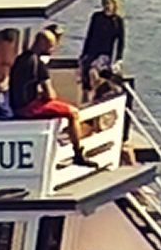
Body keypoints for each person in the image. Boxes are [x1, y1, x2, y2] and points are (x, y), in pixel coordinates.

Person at [9, 29, 96, 167]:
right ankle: (78, 153)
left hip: (16, 105)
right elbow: (50, 94)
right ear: (41, 43)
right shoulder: (38, 64)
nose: (52, 49)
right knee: (72, 112)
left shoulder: (21, 59)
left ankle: (68, 140)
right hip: (28, 109)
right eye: (50, 46)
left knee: (58, 107)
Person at [80, 0, 127, 96]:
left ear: (115, 5)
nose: (107, 6)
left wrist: (118, 59)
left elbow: (120, 42)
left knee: (104, 74)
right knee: (89, 72)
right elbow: (89, 35)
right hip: (93, 52)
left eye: (109, 3)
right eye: (105, 3)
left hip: (106, 53)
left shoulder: (118, 21)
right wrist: (84, 53)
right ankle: (87, 94)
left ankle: (101, 93)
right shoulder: (97, 17)